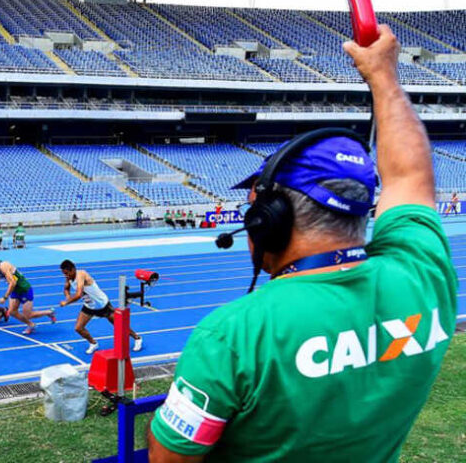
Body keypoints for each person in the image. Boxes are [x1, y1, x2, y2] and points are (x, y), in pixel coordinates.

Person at [148, 26, 458, 461]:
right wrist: (384, 77)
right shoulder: (423, 275)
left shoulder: (233, 335)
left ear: (269, 222)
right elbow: (410, 176)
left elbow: (169, 458)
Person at [58, 260, 143, 354]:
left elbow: (78, 294)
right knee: (78, 328)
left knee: (119, 324)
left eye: (67, 273)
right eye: (64, 274)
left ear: (73, 269)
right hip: (89, 306)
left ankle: (137, 338)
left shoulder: (81, 274)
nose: (66, 276)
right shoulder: (69, 277)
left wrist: (66, 302)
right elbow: (66, 289)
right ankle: (93, 343)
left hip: (102, 305)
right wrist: (68, 296)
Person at [0, 251, 56, 335]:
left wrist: (5, 297)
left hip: (24, 289)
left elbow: (13, 283)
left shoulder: (3, 266)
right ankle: (31, 325)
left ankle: (49, 312)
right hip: (15, 290)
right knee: (12, 311)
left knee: (28, 315)